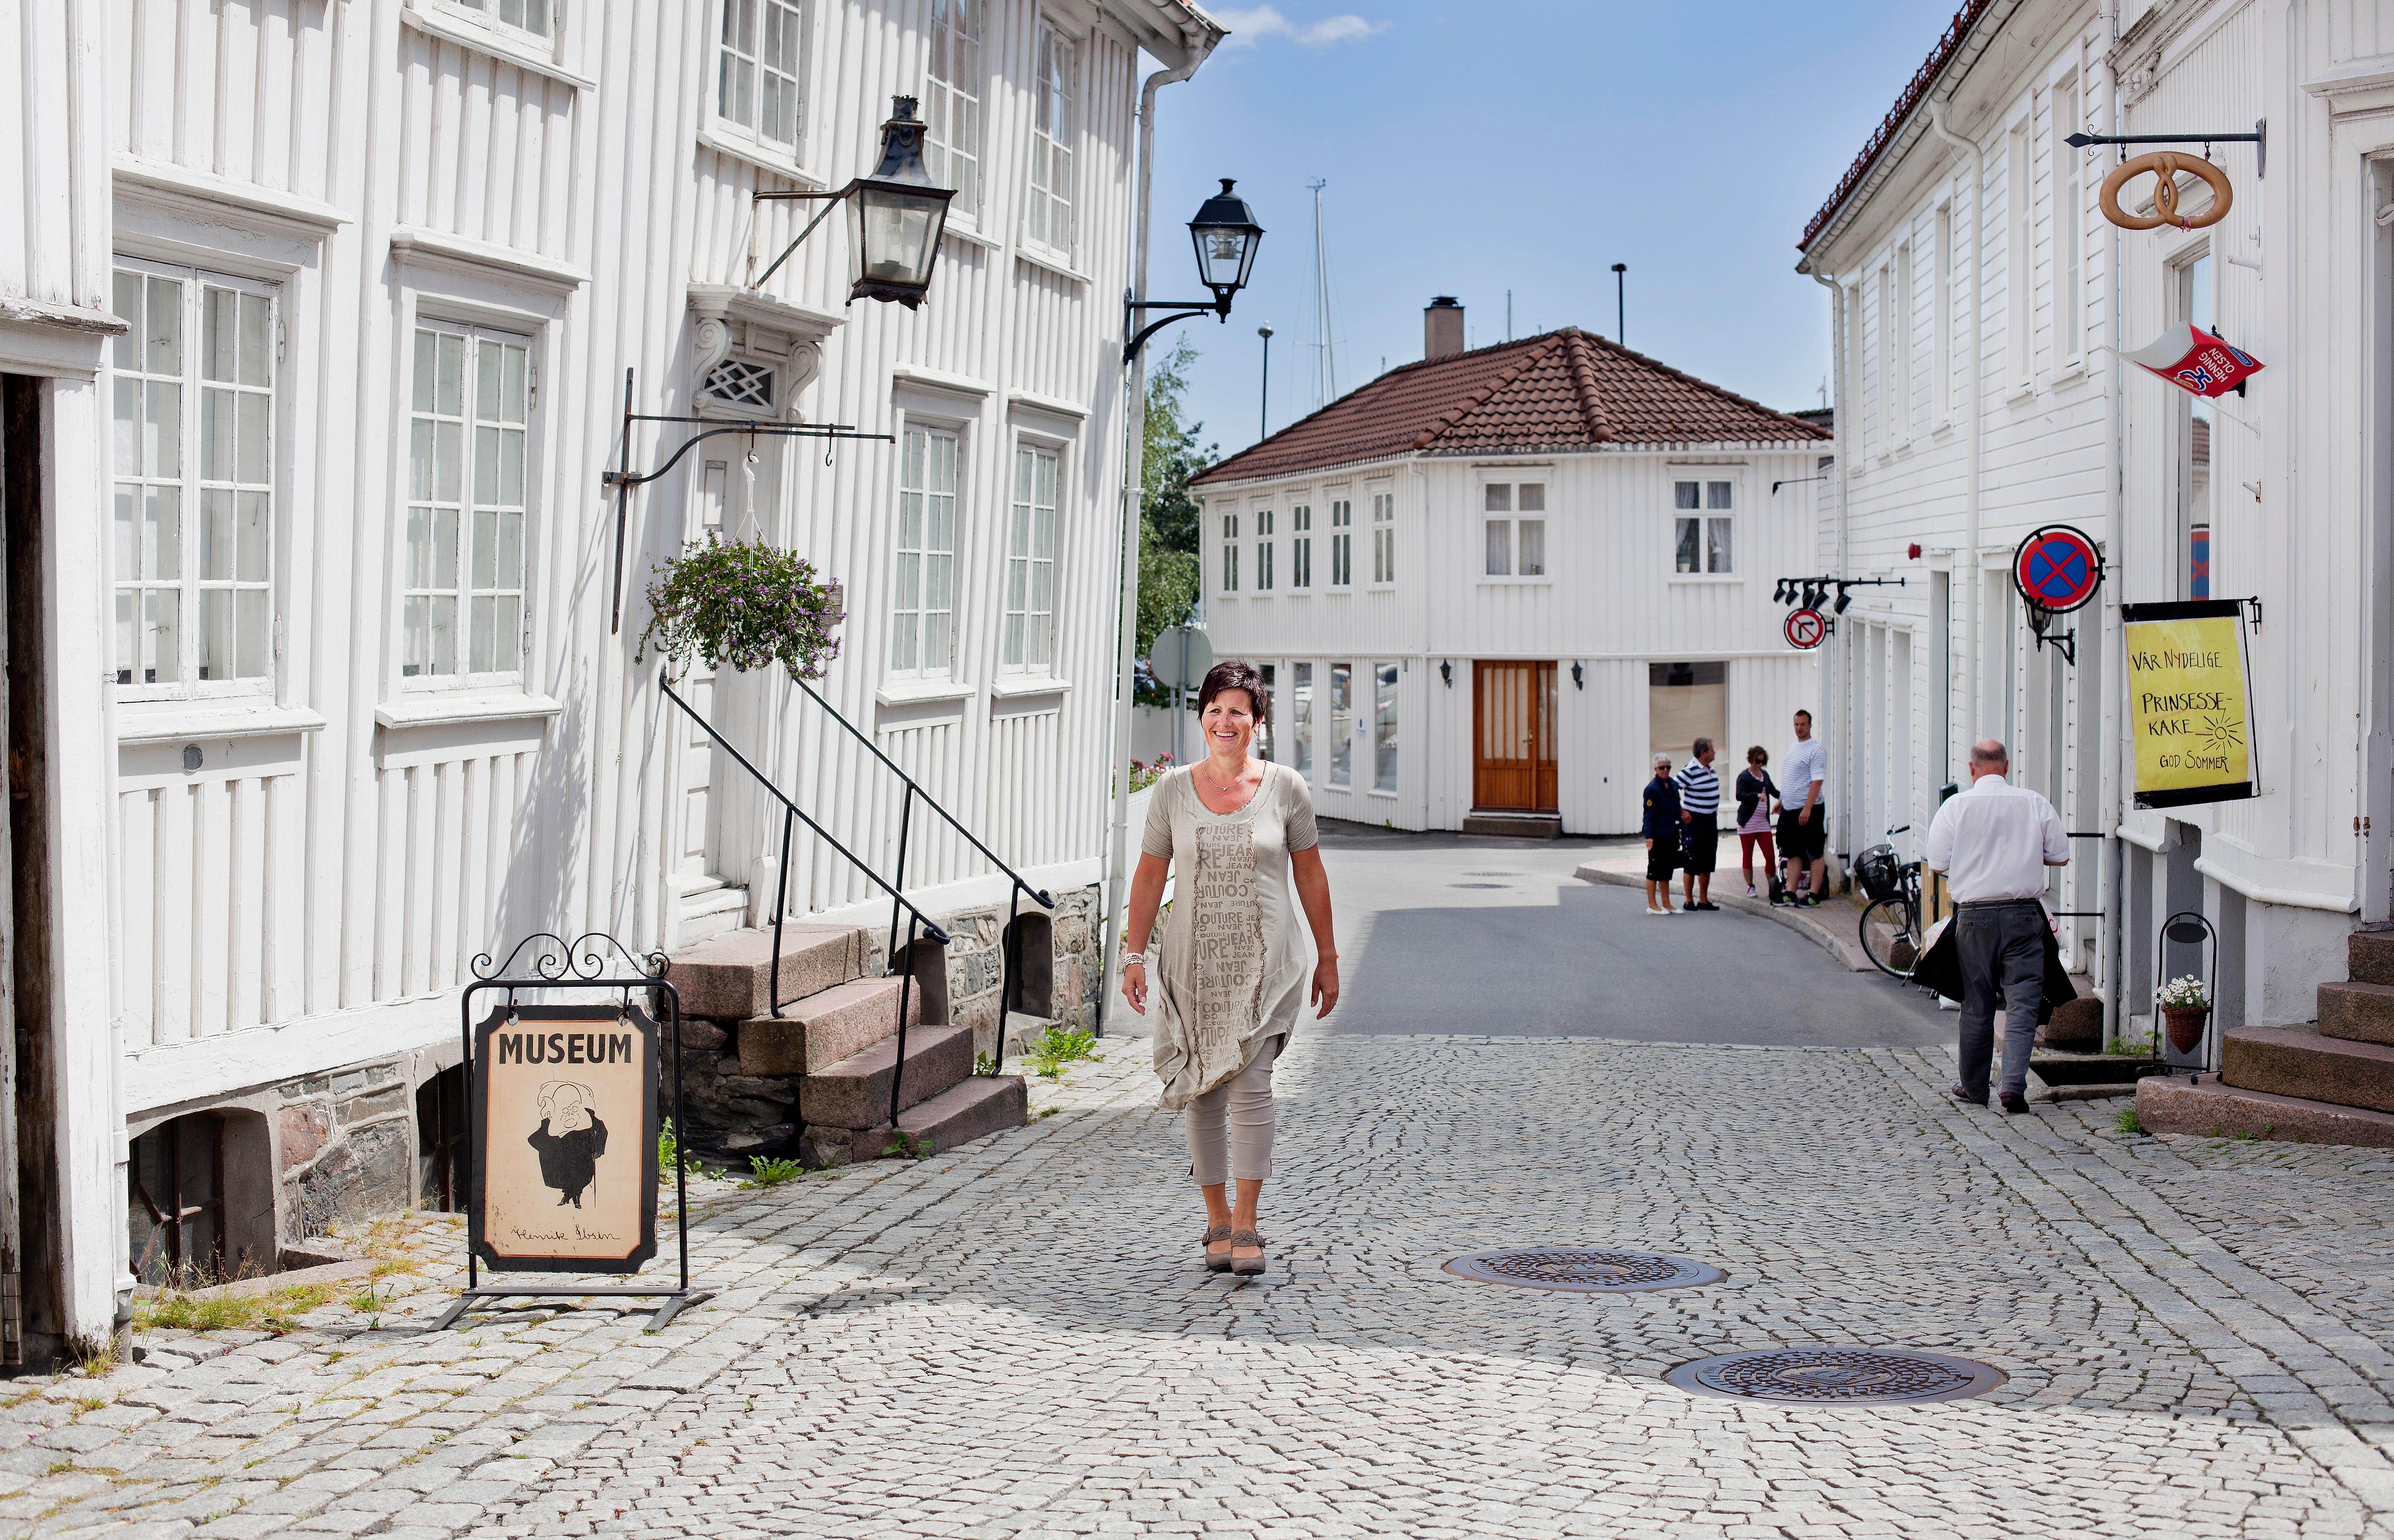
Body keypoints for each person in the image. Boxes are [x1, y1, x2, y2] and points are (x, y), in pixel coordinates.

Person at [1120, 659, 1339, 1277]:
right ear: (1201, 718)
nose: (1224, 721)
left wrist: (1327, 957)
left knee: (1250, 1088)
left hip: (1266, 966)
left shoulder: (1285, 788)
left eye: (1236, 711)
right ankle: (1215, 1219)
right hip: (1193, 966)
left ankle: (1246, 1223)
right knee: (1201, 1090)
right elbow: (1148, 876)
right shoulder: (1171, 791)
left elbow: (1310, 874)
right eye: (1214, 710)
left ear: (1257, 720)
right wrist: (1134, 956)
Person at [1924, 739, 2069, 1115]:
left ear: (1972, 770)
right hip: (2023, 916)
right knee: (2022, 1004)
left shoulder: (1955, 806)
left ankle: (1974, 1088)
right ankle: (2012, 1088)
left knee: (1976, 1003)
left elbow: (1937, 862)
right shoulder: (2034, 802)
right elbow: (2060, 855)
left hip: (1974, 917)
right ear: (2006, 767)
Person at [1775, 710, 1829, 907]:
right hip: (1790, 809)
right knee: (1793, 852)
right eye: (1797, 725)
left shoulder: (1816, 750)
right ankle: (1791, 892)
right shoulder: (1793, 748)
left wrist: (1807, 809)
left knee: (1814, 852)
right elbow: (1793, 779)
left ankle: (1814, 895)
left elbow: (1817, 782)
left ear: (1810, 726)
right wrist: (1782, 800)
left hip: (1810, 810)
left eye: (1803, 725)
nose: (1799, 729)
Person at [1675, 738, 1722, 911]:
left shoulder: (1710, 768)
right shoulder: (1690, 770)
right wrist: (1682, 812)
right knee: (1692, 859)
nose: (1714, 753)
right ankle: (1689, 900)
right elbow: (1672, 790)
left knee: (1708, 860)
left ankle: (1703, 899)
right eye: (1712, 750)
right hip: (1695, 822)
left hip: (1710, 820)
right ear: (1703, 753)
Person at [1735, 746, 1780, 899]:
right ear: (1752, 760)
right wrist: (1757, 796)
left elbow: (1773, 791)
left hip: (1763, 823)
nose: (1760, 764)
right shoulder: (1744, 777)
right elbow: (1739, 795)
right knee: (1748, 855)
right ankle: (1751, 886)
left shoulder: (1764, 775)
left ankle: (1772, 887)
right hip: (1747, 823)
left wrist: (1786, 797)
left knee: (1770, 856)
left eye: (1763, 761)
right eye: (1757, 761)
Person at [1641, 752, 1681, 915]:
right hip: (1657, 835)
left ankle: (1667, 903)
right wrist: (1649, 837)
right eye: (1662, 768)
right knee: (1654, 870)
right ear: (1656, 769)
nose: (1666, 770)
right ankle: (1652, 905)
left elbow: (1677, 808)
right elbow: (1648, 815)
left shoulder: (1673, 785)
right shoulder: (1652, 789)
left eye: (1668, 767)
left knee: (1666, 870)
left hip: (1671, 834)